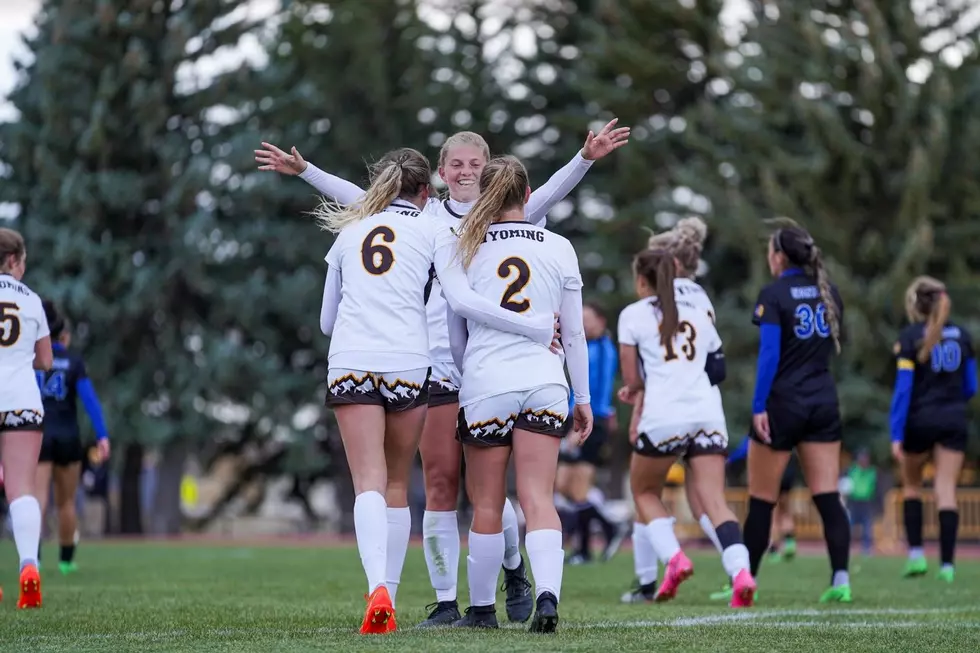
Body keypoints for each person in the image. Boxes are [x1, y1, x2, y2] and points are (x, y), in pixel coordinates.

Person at [259, 121, 629, 626]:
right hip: (430, 365)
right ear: (438, 171)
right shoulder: (429, 217)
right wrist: (307, 171)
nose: (465, 171)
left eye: (476, 164)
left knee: (489, 491)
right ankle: (447, 601)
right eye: (456, 163)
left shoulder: (486, 221)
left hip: (479, 366)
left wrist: (584, 158)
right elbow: (366, 198)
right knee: (439, 482)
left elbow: (542, 194)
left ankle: (514, 568)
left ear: (488, 170)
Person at [315, 148, 558, 634]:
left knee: (372, 484)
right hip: (412, 365)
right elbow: (463, 300)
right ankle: (459, 593)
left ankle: (380, 590)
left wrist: (305, 171)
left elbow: (326, 321)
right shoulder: (434, 230)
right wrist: (532, 327)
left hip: (352, 363)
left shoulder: (348, 232)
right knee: (410, 484)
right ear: (429, 188)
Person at [442, 155, 593, 633]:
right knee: (538, 498)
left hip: (487, 380)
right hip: (546, 383)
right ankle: (547, 594)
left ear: (484, 195)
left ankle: (483, 611)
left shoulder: (460, 244)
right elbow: (574, 334)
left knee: (487, 503)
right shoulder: (560, 246)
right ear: (528, 196)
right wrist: (583, 398)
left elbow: (454, 333)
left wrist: (473, 377)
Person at [618, 248, 756, 607]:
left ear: (642, 280)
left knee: (645, 492)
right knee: (714, 501)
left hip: (664, 414)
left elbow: (633, 379)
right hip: (708, 414)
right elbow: (717, 370)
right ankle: (741, 572)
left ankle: (675, 559)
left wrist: (631, 391)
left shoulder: (633, 315)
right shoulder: (698, 314)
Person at [743, 224, 851, 603]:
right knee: (827, 495)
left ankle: (746, 583)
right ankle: (841, 579)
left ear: (779, 256)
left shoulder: (773, 294)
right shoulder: (829, 291)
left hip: (783, 403)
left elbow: (769, 355)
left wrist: (758, 405)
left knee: (762, 499)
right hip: (823, 401)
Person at [890, 276, 975, 583]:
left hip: (919, 420)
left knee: (912, 486)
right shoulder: (963, 336)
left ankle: (915, 556)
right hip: (953, 419)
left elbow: (903, 389)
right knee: (946, 490)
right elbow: (971, 386)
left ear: (916, 304)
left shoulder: (911, 336)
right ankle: (948, 566)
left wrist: (896, 433)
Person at [34, 301, 111, 574]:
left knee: (38, 501)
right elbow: (90, 401)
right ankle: (66, 562)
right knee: (66, 502)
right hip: (68, 437)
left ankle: (35, 562)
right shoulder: (74, 362)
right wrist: (102, 436)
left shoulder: (32, 359)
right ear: (63, 336)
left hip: (39, 436)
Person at [0, 228, 53, 609]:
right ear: (14, 259)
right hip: (23, 401)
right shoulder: (33, 300)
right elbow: (47, 360)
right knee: (22, 490)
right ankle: (29, 566)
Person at [556, 302, 624, 565]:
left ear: (602, 321)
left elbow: (598, 389)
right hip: (573, 417)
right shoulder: (583, 347)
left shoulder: (603, 349)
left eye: (589, 320)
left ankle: (583, 549)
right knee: (563, 484)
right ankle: (608, 526)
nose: (584, 324)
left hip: (590, 421)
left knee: (579, 487)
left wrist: (586, 425)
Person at [843, 449, 877, 556]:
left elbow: (873, 487)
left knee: (867, 527)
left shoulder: (871, 471)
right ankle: (845, 547)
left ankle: (866, 548)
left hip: (866, 502)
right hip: (854, 501)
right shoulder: (852, 470)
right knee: (850, 525)